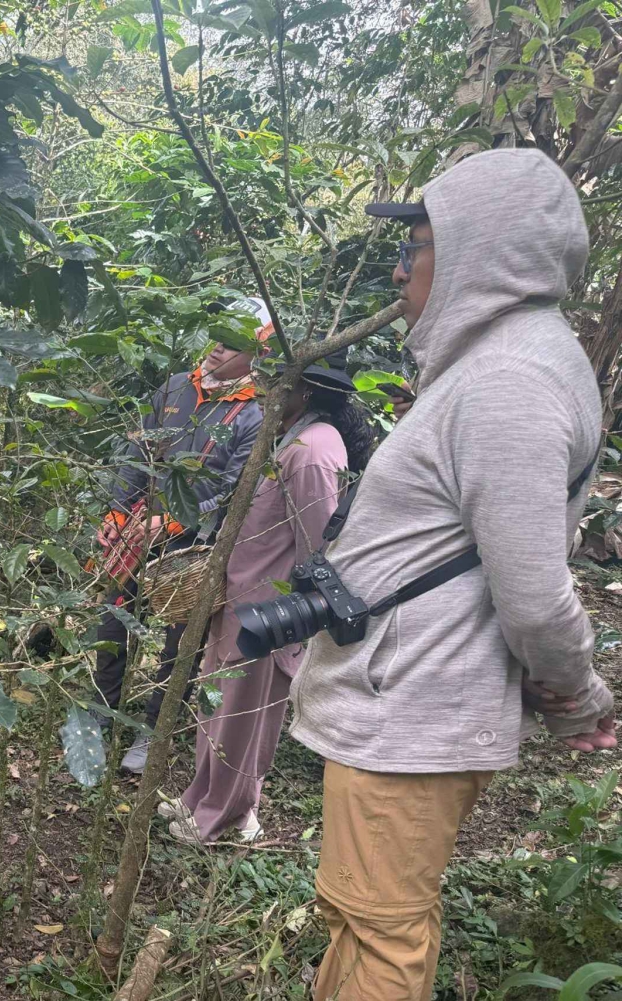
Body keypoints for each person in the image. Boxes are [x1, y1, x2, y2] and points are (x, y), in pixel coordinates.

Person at [289, 149, 617, 1000]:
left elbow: (534, 594)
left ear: (483, 250)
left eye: (418, 245)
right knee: (365, 917)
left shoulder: (509, 380)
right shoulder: (498, 364)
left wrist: (577, 695)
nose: (401, 270)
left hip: (410, 708)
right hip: (403, 701)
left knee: (381, 930)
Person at [163, 357, 372, 844]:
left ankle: (225, 816)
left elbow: (316, 547)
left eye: (278, 384)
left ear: (305, 391)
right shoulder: (291, 438)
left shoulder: (313, 449)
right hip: (239, 599)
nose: (263, 392)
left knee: (243, 718)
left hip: (265, 614)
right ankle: (201, 797)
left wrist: (294, 619)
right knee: (218, 708)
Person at [95, 299, 269, 773]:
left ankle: (153, 731)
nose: (217, 349)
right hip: (138, 529)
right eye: (217, 337)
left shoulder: (254, 412)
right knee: (111, 619)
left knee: (179, 643)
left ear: (256, 353)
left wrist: (173, 522)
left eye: (232, 343)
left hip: (195, 544)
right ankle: (101, 710)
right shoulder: (175, 386)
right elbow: (137, 453)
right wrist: (117, 511)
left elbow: (234, 489)